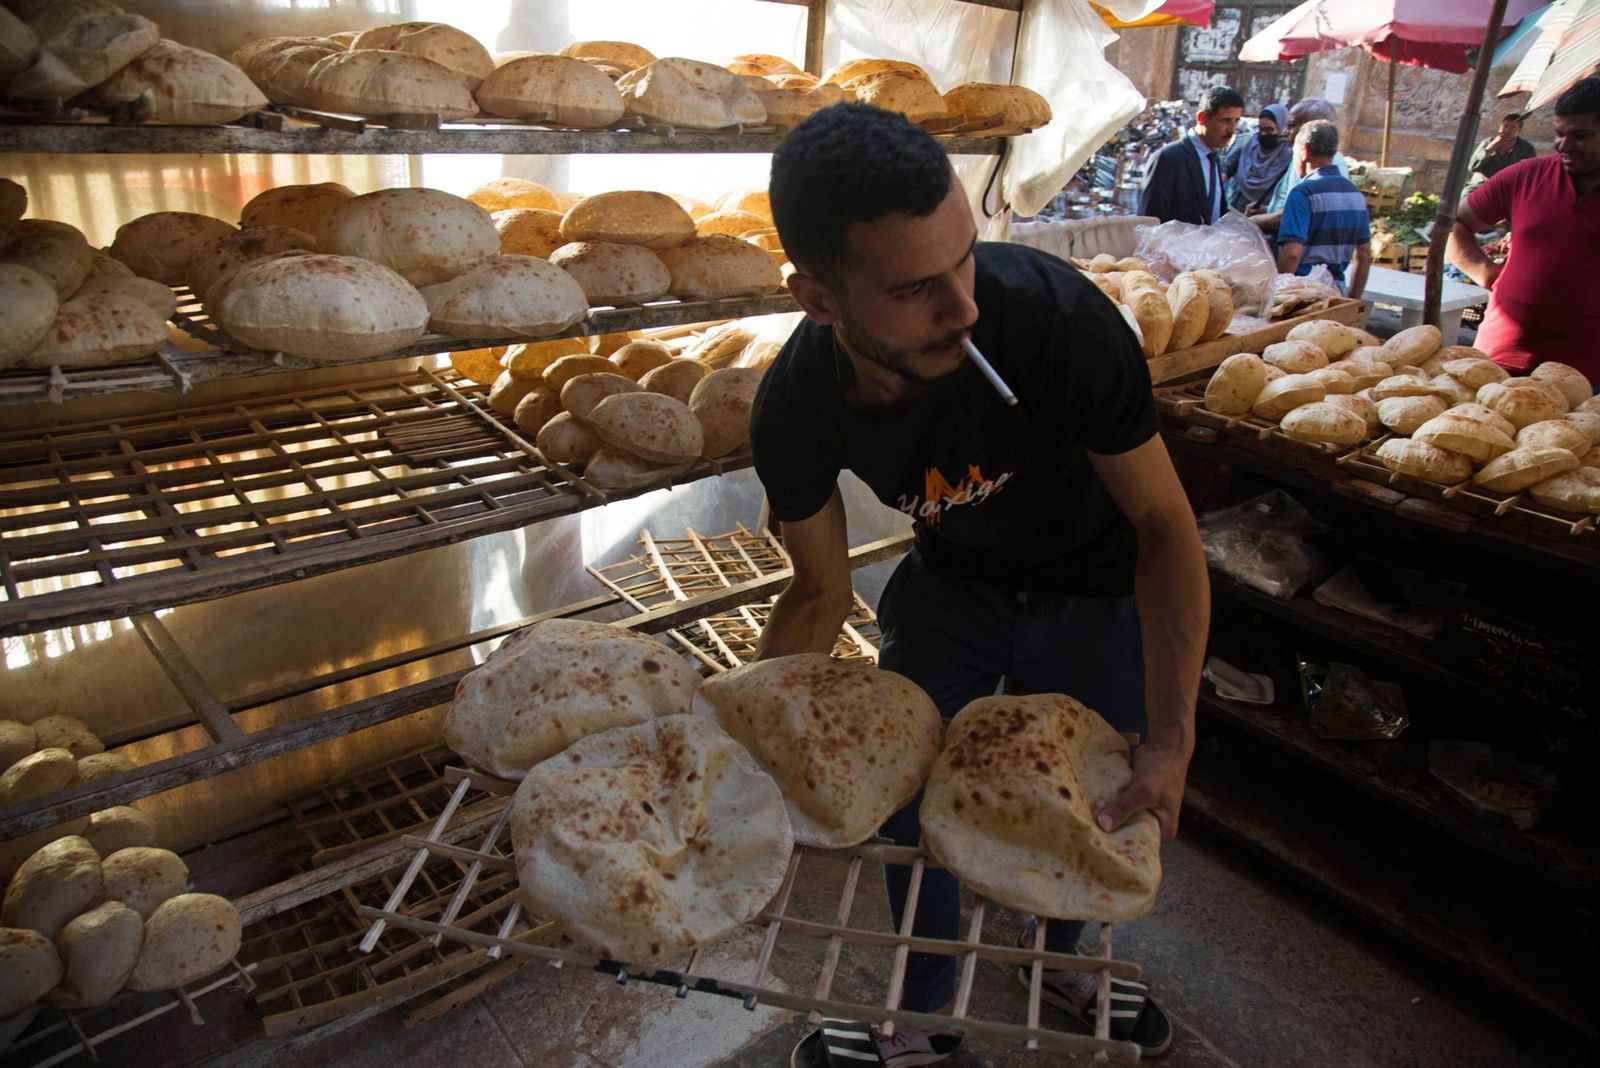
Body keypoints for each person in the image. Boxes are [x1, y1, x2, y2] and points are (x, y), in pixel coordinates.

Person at [753, 103, 1209, 1066]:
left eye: (965, 257)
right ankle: (923, 1010)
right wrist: (730, 749)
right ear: (819, 300)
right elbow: (819, 595)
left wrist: (1173, 735)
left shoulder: (1057, 321)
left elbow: (1167, 528)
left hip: (1097, 582)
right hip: (955, 581)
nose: (963, 307)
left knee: (1097, 794)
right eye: (916, 288)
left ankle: (1065, 961)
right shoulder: (794, 406)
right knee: (915, 804)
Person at [1446, 76, 1600, 379]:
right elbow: (1458, 223)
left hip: (1587, 376)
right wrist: (1483, 271)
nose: (1564, 145)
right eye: (1559, 134)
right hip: (1498, 359)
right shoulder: (1526, 176)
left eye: (1581, 135)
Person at [1275, 120, 1372, 299]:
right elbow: (1365, 256)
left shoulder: (1303, 193)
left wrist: (1277, 296)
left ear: (1304, 152)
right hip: (1336, 294)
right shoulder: (1356, 195)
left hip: (1300, 297)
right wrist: (1351, 300)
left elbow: (1292, 253)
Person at [1138, 84, 1244, 224]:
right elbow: (1149, 223)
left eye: (1236, 121)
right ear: (1202, 118)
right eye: (1225, 121)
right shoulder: (1168, 159)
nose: (1232, 130)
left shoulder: (1213, 157)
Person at [1250, 98, 1351, 234]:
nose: (1285, 132)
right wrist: (1267, 210)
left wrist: (1254, 222)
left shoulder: (1330, 164)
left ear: (1312, 130)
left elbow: (1296, 214)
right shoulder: (1301, 156)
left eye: (1292, 125)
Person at [1222, 103, 1292, 213]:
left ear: (1282, 128)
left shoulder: (1289, 156)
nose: (1263, 134)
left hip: (1266, 217)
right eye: (1261, 129)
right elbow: (1228, 166)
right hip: (1237, 212)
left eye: (1269, 130)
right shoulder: (1251, 145)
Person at [1464, 112, 1537, 193]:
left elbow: (1530, 175)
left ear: (1519, 130)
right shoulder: (1487, 143)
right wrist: (1491, 147)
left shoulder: (1527, 149)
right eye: (1505, 126)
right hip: (1481, 185)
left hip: (1507, 190)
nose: (1507, 130)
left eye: (1513, 127)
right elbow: (1472, 167)